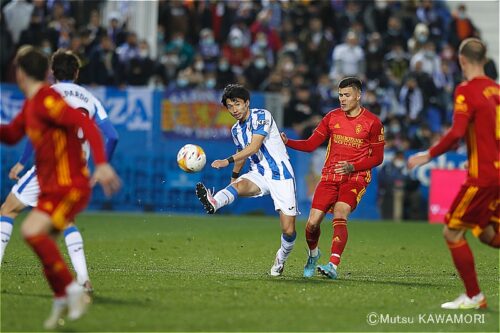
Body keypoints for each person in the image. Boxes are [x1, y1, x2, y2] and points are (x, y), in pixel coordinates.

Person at [0, 46, 121, 329]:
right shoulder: (87, 97)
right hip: (75, 175)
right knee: (47, 229)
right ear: (76, 72)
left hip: (57, 175)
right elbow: (14, 132)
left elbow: (77, 124)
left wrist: (103, 164)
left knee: (11, 211)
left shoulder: (48, 96)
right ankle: (73, 287)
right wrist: (100, 162)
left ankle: (71, 288)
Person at [408, 38, 499, 309]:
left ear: (462, 60)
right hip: (497, 174)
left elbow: (457, 133)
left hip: (481, 177)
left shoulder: (466, 90)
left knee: (452, 232)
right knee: (484, 231)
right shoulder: (496, 91)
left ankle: (474, 296)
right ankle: (474, 296)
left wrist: (429, 154)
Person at [281, 77, 385, 279]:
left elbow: (378, 158)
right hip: (329, 176)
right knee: (312, 223)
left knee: (340, 212)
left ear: (358, 95)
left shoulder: (373, 123)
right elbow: (311, 144)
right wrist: (288, 142)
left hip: (356, 178)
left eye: (347, 95)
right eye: (340, 95)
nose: (342, 99)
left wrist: (353, 166)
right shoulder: (332, 117)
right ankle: (313, 255)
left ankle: (333, 265)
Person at [195, 84, 299, 277]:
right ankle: (214, 202)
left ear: (247, 103)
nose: (234, 109)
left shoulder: (262, 116)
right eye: (230, 106)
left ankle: (281, 258)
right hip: (258, 173)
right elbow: (241, 154)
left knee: (289, 230)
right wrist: (234, 178)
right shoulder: (236, 130)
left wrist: (226, 161)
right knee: (238, 186)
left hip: (281, 175)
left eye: (237, 104)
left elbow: (253, 147)